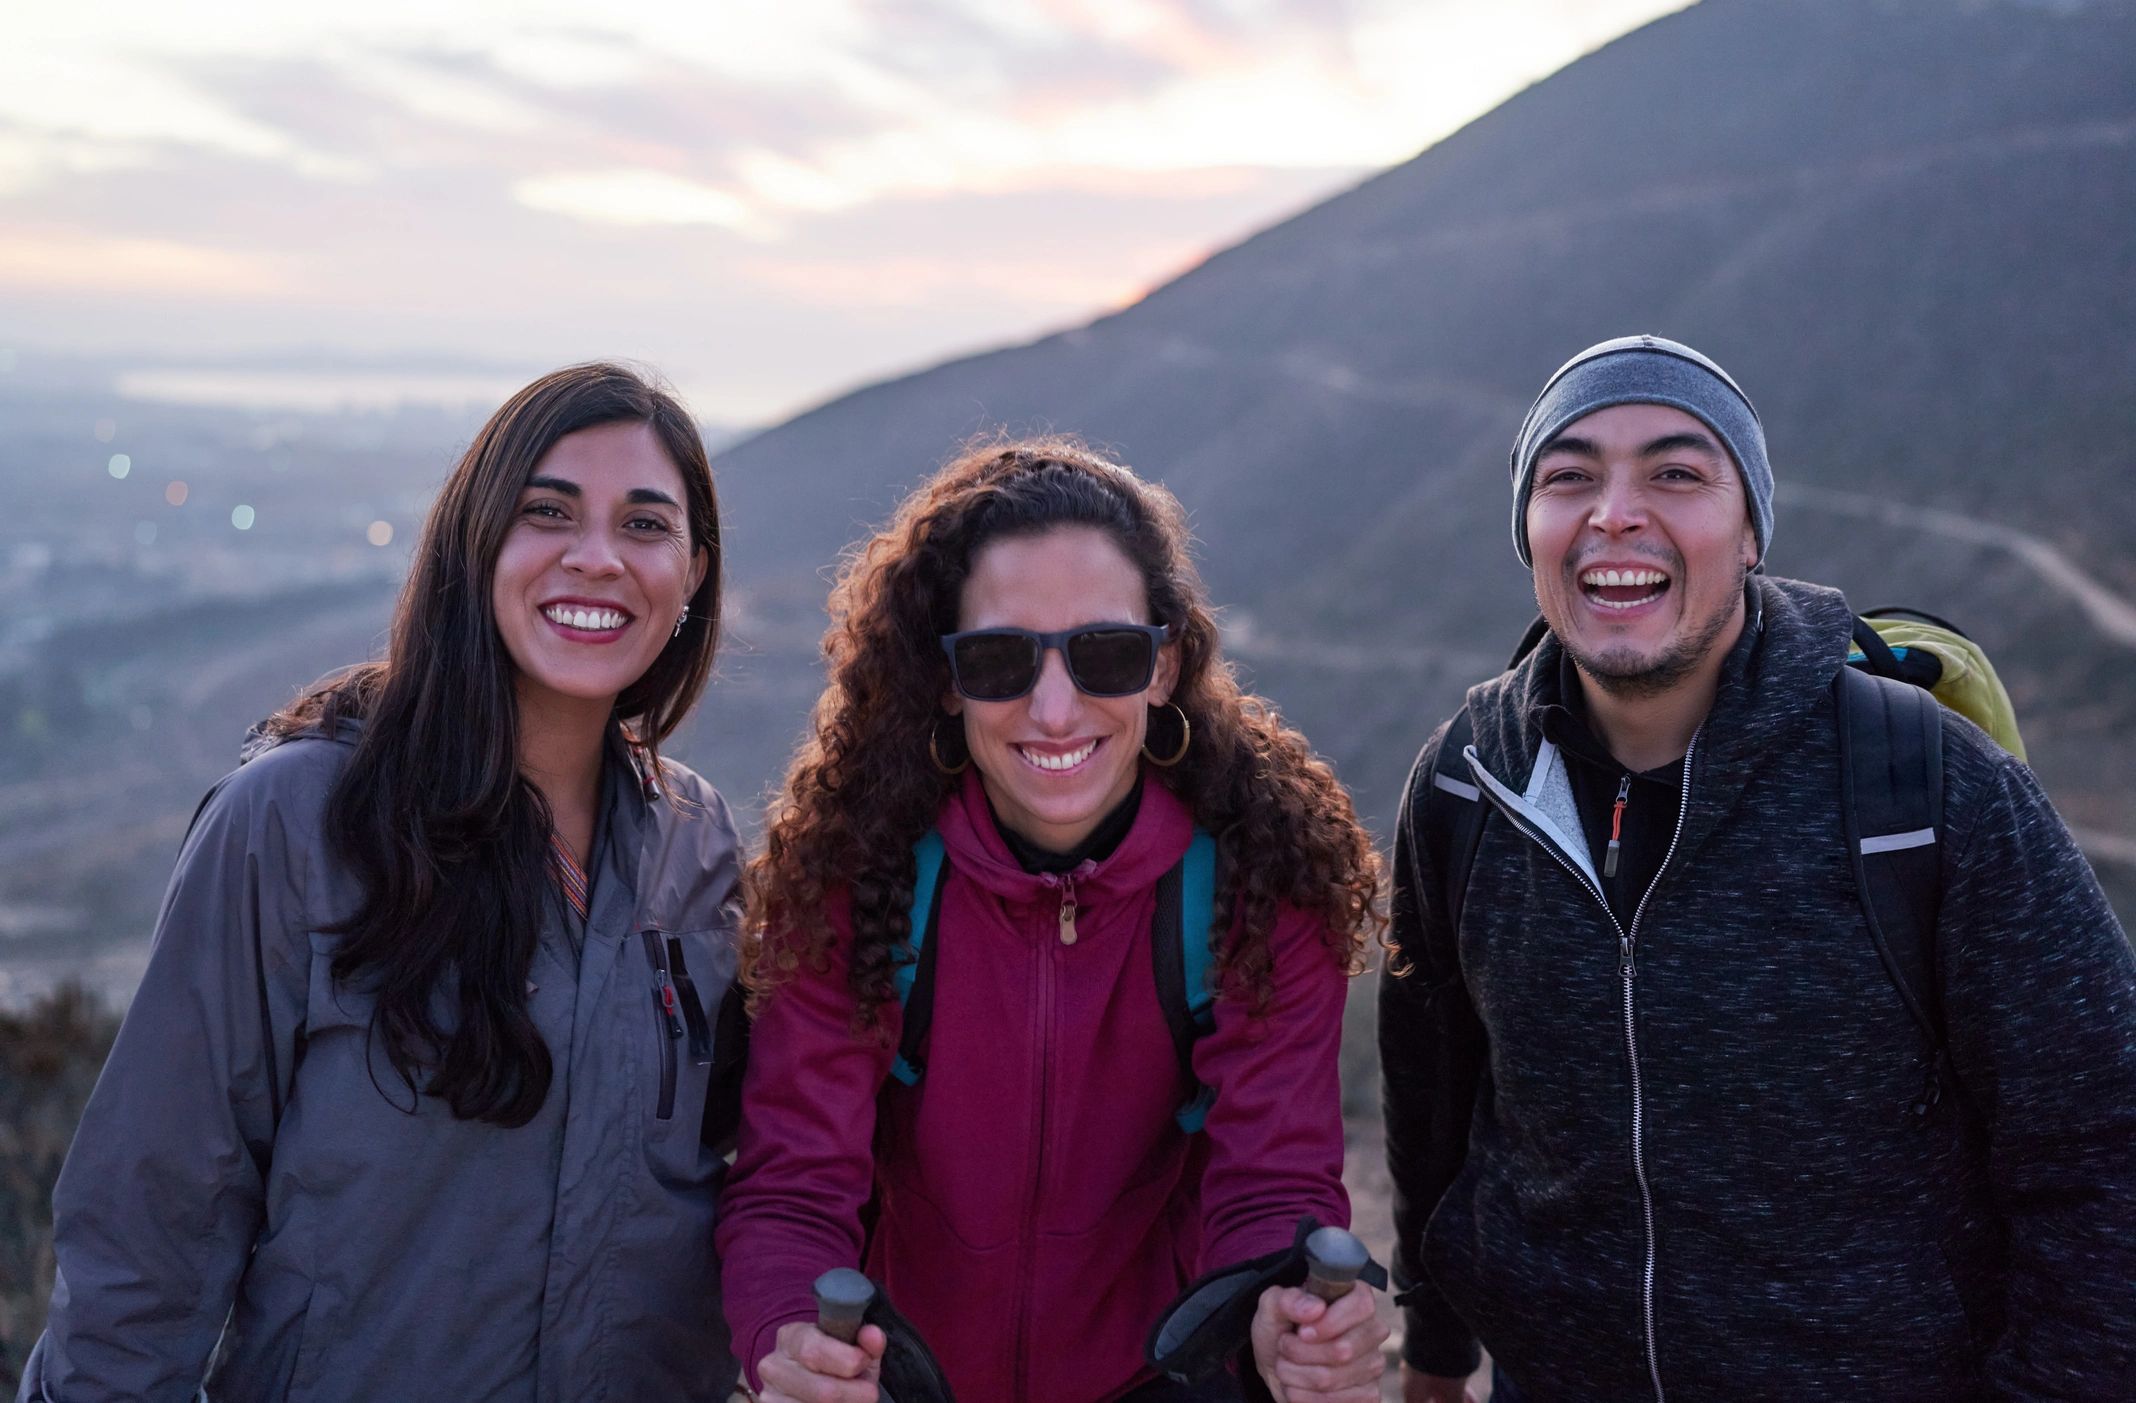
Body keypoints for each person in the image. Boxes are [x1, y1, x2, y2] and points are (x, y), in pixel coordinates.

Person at [1380, 334, 2136, 1401]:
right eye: (1570, 477)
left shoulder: (1921, 786)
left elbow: (2101, 1144)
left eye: (1677, 472)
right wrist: (1436, 1351)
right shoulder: (1466, 785)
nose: (1615, 512)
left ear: (1750, 535)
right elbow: (1436, 1106)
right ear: (1530, 532)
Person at [20, 363, 746, 1402]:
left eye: (644, 525)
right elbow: (156, 1214)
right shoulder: (297, 822)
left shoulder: (700, 846)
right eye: (548, 512)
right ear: (474, 545)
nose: (597, 557)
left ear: (692, 578)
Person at [717, 439, 1390, 1403]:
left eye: (1105, 652)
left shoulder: (1255, 879)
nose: (1056, 707)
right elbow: (793, 1185)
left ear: (1163, 665)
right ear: (945, 678)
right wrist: (791, 1336)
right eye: (999, 659)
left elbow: (1276, 1179)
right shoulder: (855, 879)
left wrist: (1287, 1316)